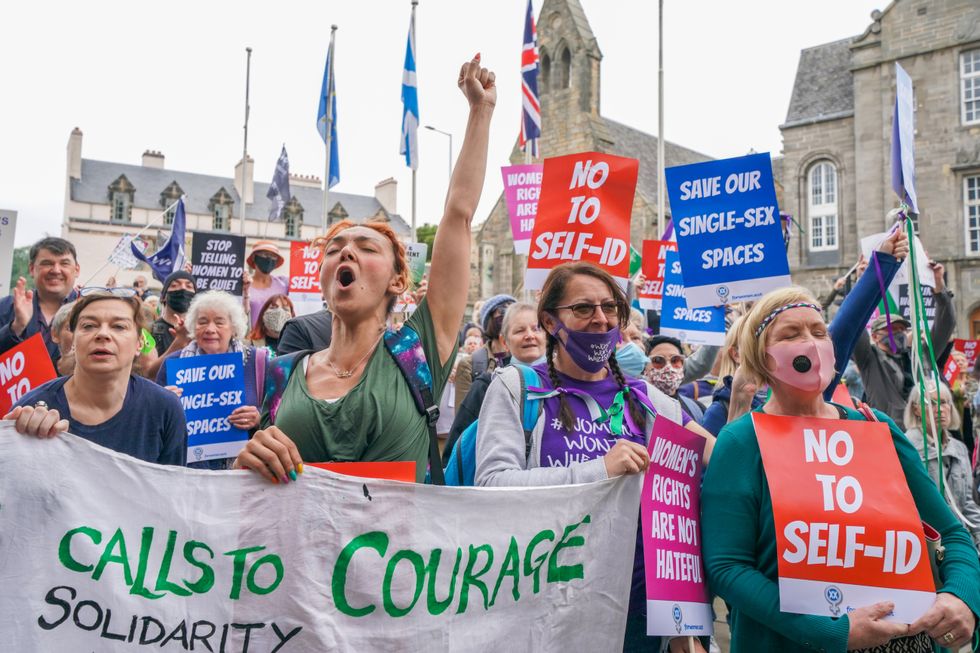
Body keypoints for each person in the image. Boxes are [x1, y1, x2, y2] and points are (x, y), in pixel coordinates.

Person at [233, 55, 496, 484]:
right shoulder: (283, 373)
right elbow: (254, 490)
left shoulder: (421, 350)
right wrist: (249, 459)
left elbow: (458, 215)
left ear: (397, 279)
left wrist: (480, 111)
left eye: (365, 247)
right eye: (335, 248)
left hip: (401, 552)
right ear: (323, 277)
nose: (346, 253)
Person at [702, 287, 980, 652]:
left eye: (819, 332)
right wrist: (831, 631)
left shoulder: (874, 427)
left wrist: (961, 597)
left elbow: (951, 533)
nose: (811, 343)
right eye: (791, 334)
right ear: (762, 357)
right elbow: (728, 567)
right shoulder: (741, 442)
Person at [475, 262, 714, 653]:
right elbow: (492, 485)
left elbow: (711, 466)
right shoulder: (518, 387)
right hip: (550, 616)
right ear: (551, 322)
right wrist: (599, 470)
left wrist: (682, 630)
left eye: (610, 307)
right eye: (583, 308)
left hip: (638, 618)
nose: (601, 319)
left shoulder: (649, 401)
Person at [3, 288, 186, 465]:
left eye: (119, 326)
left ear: (139, 343)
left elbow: (172, 491)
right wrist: (14, 440)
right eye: (89, 326)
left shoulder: (165, 409)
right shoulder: (33, 406)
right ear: (73, 340)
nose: (103, 334)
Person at [155, 291, 267, 467]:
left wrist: (258, 417)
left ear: (234, 327)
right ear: (193, 326)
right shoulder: (174, 363)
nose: (210, 329)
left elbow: (278, 413)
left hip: (244, 469)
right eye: (203, 322)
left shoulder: (256, 361)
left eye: (220, 322)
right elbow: (153, 421)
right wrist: (163, 402)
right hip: (188, 470)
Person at [853, 259, 955, 425]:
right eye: (891, 330)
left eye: (901, 330)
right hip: (892, 435)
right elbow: (854, 322)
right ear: (876, 335)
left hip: (927, 434)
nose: (898, 334)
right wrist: (862, 284)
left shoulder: (921, 355)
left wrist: (939, 286)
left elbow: (946, 324)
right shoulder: (869, 359)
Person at [445, 301, 545, 459]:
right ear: (505, 342)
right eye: (519, 330)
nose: (529, 335)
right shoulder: (486, 385)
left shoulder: (563, 384)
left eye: (536, 329)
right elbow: (459, 446)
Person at [904, 380, 980, 549]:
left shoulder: (959, 449)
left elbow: (967, 504)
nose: (940, 409)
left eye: (944, 402)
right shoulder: (906, 448)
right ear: (916, 409)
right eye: (931, 403)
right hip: (925, 542)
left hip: (960, 540)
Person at [0, 237, 80, 364]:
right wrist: (16, 327)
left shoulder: (88, 311)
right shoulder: (6, 307)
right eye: (47, 263)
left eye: (64, 263)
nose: (56, 270)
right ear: (32, 269)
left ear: (76, 270)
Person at [455, 293, 516, 405]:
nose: (509, 315)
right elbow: (463, 417)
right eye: (503, 310)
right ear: (489, 319)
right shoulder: (469, 364)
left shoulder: (525, 361)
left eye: (513, 310)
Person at [646, 335, 707, 421]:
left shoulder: (698, 409)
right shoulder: (634, 407)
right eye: (658, 360)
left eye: (675, 360)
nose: (668, 367)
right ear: (645, 367)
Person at [243, 241, 289, 328]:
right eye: (265, 255)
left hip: (278, 338)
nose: (269, 259)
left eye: (273, 256)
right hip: (251, 338)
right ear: (254, 257)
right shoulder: (245, 284)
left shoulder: (284, 283)